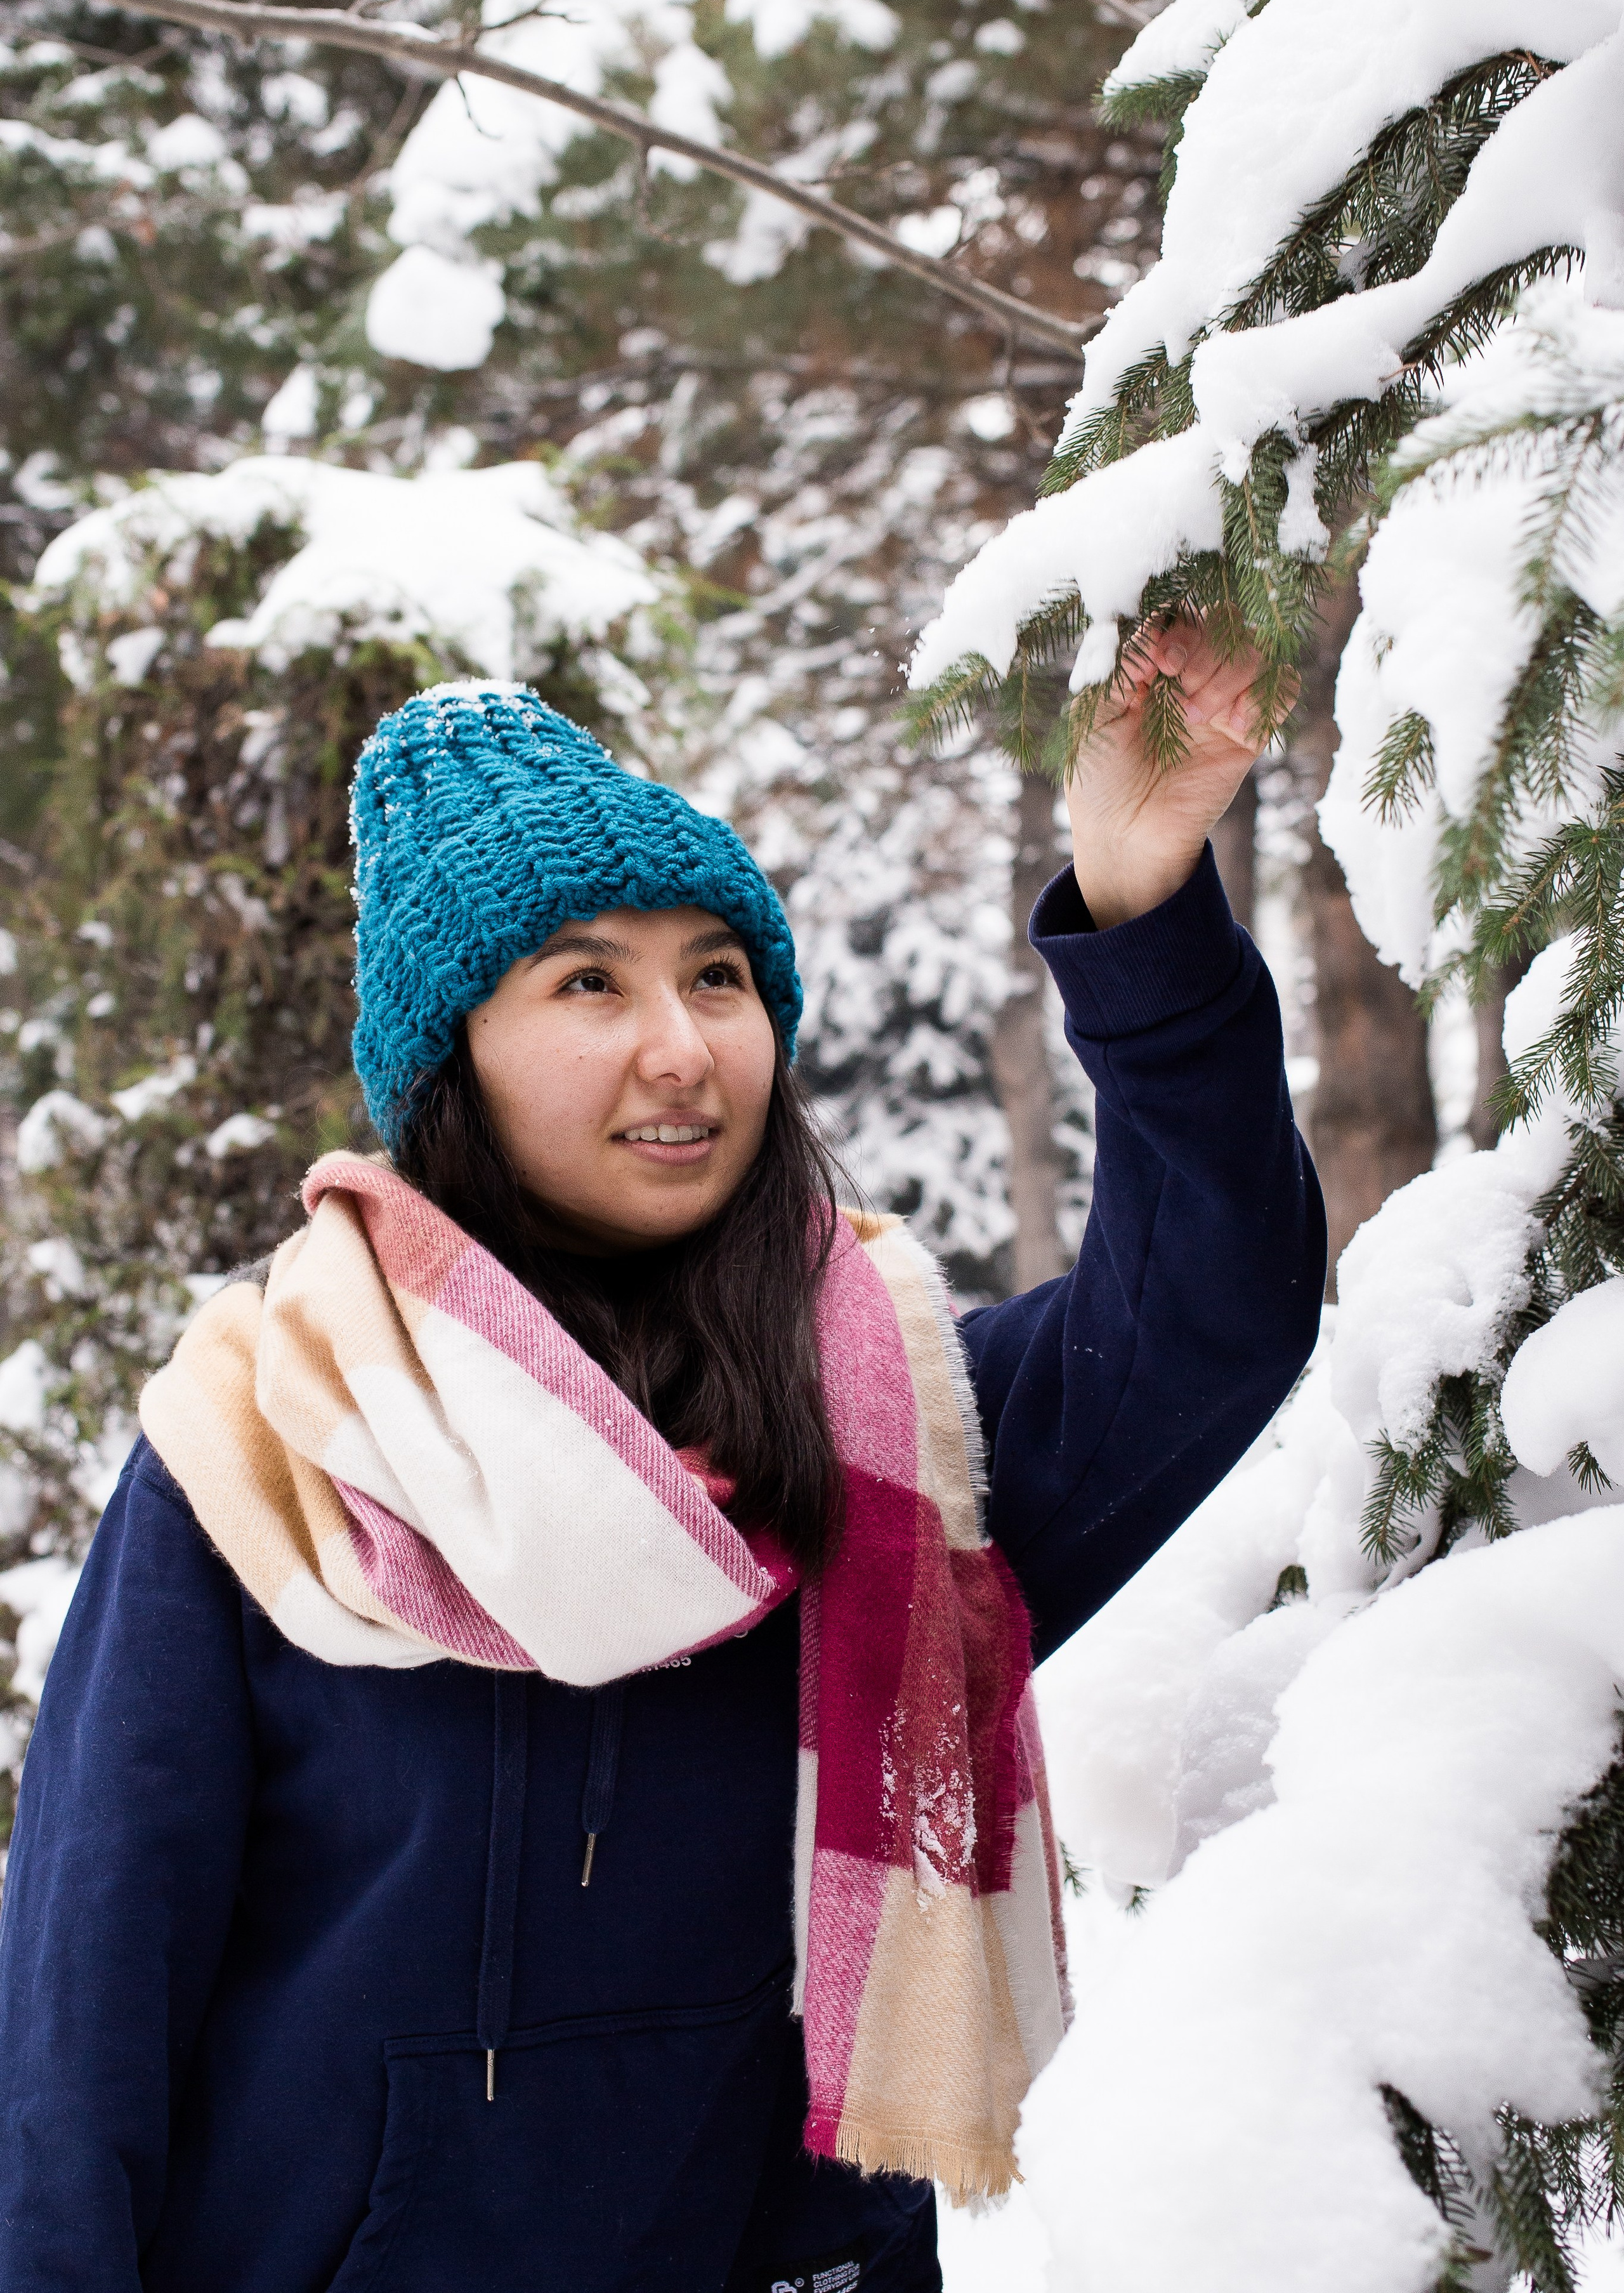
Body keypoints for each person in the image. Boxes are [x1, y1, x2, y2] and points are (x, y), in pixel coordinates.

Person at [0, 624, 1325, 2293]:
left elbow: (1219, 1306)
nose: (684, 1044)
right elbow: (88, 1993)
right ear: (452, 1055)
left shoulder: (886, 1432)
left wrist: (1139, 894)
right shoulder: (276, 1432)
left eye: (717, 974)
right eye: (588, 982)